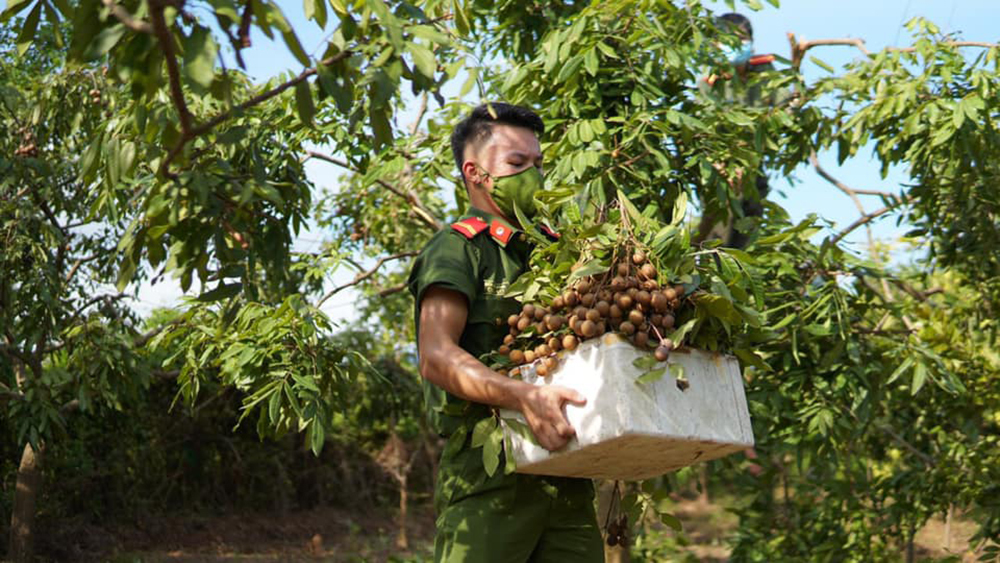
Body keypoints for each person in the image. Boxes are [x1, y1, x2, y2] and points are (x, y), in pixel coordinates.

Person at [407, 102, 604, 562]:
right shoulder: (457, 249)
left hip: (569, 477)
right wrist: (524, 397)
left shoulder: (561, 254)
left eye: (538, 163)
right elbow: (436, 355)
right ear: (475, 173)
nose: (533, 175)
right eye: (517, 164)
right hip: (489, 476)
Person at [697, 12, 781, 249]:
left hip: (753, 167)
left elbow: (786, 107)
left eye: (742, 38)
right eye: (728, 38)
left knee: (748, 226)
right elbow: (703, 130)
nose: (736, 44)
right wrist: (720, 164)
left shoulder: (765, 71)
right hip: (721, 167)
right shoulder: (709, 84)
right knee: (716, 232)